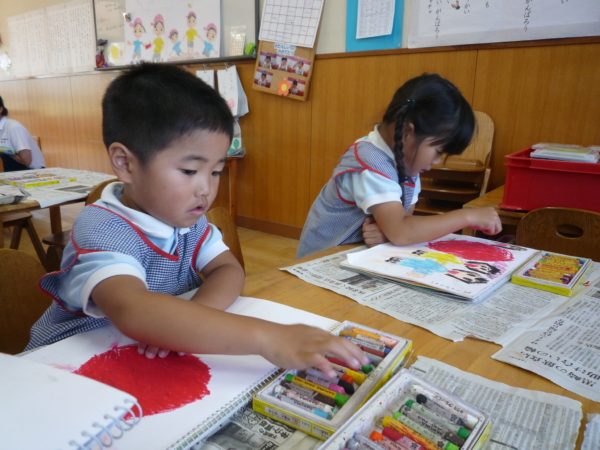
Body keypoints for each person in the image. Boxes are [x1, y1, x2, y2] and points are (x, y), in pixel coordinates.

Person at [26, 64, 367, 377]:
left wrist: (185, 322)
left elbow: (228, 270)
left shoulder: (186, 219)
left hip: (140, 359)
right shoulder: (102, 229)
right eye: (189, 170)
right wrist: (267, 337)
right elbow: (135, 311)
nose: (206, 188)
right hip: (62, 369)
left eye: (216, 171)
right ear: (125, 163)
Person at [296, 73, 501, 259]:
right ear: (406, 133)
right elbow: (403, 232)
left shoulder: (406, 159)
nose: (437, 161)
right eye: (438, 151)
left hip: (358, 255)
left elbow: (403, 222)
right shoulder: (370, 163)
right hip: (321, 259)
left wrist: (388, 232)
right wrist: (468, 216)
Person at [0, 95, 45, 171]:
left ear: (1, 109)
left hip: (32, 173)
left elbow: (26, 161)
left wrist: (4, 152)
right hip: (10, 172)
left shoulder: (14, 127)